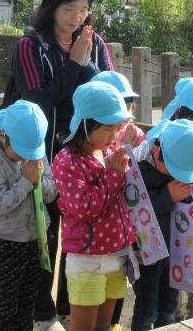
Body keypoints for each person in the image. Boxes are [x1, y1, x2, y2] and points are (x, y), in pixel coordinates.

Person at [10, 0, 113, 331]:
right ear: (53, 5)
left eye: (83, 10)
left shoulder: (94, 43)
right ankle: (43, 312)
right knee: (47, 232)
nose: (76, 17)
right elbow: (37, 102)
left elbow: (107, 96)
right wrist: (73, 66)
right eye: (69, 8)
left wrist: (86, 65)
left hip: (85, 157)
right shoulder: (30, 46)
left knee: (81, 233)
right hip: (45, 155)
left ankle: (73, 309)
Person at [51, 82, 136, 331]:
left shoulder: (109, 151)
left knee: (105, 326)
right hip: (87, 260)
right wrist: (114, 175)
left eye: (118, 128)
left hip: (116, 256)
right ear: (85, 124)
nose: (113, 136)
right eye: (108, 128)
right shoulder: (67, 161)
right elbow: (84, 206)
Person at [0, 100, 58, 331]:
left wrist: (39, 180)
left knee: (27, 304)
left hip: (36, 240)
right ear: (3, 135)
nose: (26, 157)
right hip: (7, 245)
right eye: (20, 152)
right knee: (6, 307)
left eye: (31, 153)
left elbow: (52, 194)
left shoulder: (35, 152)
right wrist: (26, 182)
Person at [130, 119, 193, 331]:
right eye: (173, 168)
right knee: (147, 310)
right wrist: (166, 195)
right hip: (147, 254)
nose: (176, 175)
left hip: (175, 251)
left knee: (169, 308)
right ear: (155, 150)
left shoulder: (182, 157)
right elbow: (134, 207)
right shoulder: (137, 166)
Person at [90, 71, 146, 150]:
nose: (125, 117)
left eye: (128, 109)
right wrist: (125, 152)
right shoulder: (92, 134)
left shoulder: (134, 134)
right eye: (118, 111)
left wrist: (133, 153)